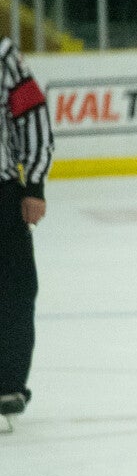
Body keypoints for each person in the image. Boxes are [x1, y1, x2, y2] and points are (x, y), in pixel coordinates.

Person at [0, 36, 51, 429]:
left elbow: (31, 114)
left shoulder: (2, 55)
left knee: (15, 288)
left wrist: (33, 184)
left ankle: (7, 385)